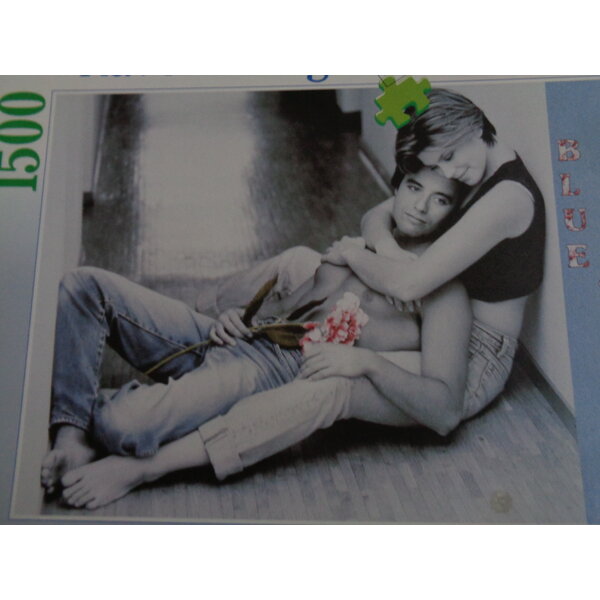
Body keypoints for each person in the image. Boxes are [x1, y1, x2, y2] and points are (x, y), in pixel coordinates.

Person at [42, 166, 472, 509]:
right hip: (239, 335)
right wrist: (237, 315)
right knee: (85, 286)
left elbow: (445, 411)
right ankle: (71, 436)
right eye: (414, 188)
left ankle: (139, 411)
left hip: (270, 371)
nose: (420, 207)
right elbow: (290, 303)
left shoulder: (443, 292)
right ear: (396, 188)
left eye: (441, 200)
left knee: (119, 425)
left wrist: (368, 363)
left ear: (455, 214)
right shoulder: (362, 246)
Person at [201, 87, 545, 420]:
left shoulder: (507, 198)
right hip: (426, 312)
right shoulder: (465, 162)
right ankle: (205, 319)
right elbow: (376, 216)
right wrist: (388, 250)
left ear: (471, 127)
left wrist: (353, 254)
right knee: (294, 262)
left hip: (472, 354)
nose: (449, 172)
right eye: (438, 164)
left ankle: (216, 398)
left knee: (325, 372)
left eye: (448, 159)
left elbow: (408, 286)